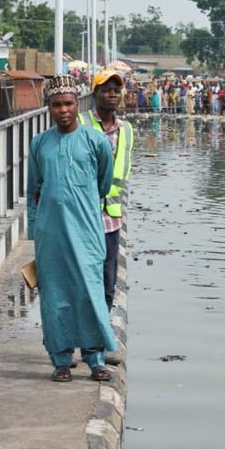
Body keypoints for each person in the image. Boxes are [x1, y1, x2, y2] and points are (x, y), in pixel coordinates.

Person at [27, 75, 116, 383]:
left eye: (68, 104)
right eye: (56, 105)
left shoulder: (96, 141)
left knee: (89, 292)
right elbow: (34, 190)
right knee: (55, 296)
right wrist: (34, 234)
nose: (63, 110)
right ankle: (61, 360)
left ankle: (95, 358)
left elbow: (103, 183)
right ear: (48, 107)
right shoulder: (39, 144)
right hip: (50, 235)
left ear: (77, 104)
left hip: (87, 232)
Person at [78, 69, 134, 327]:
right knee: (82, 276)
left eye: (116, 90)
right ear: (95, 94)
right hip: (83, 215)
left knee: (108, 277)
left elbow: (125, 169)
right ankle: (83, 334)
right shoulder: (81, 123)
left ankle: (100, 331)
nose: (112, 94)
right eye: (106, 89)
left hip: (111, 217)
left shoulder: (128, 130)